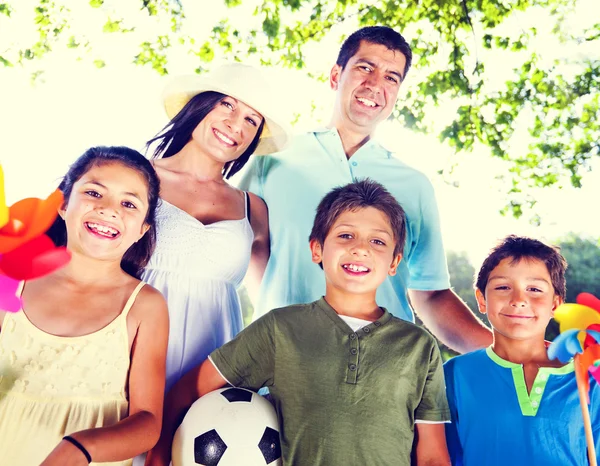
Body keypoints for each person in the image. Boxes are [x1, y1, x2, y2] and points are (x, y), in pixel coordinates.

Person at [146, 179, 451, 466]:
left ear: (395, 262)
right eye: (345, 235)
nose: (361, 248)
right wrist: (157, 460)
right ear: (317, 248)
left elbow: (433, 456)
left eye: (378, 241)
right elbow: (186, 392)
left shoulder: (418, 346)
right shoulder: (280, 329)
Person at [237, 25, 491, 353]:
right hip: (284, 364)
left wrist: (516, 354)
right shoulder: (272, 159)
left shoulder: (414, 185)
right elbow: (249, 246)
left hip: (385, 373)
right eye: (365, 68)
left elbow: (430, 294)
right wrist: (278, 314)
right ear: (335, 76)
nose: (375, 85)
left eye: (391, 77)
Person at [0, 146, 169, 465]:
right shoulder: (12, 279)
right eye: (94, 192)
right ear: (63, 204)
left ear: (143, 229)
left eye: (129, 203)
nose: (109, 209)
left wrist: (79, 447)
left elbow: (147, 422)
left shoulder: (145, 306)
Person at [143, 63, 290, 394]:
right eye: (227, 104)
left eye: (251, 120)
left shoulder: (254, 209)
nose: (236, 125)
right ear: (200, 104)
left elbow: (269, 304)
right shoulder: (137, 177)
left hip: (211, 377)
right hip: (130, 356)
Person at [444, 235, 600, 465]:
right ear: (482, 299)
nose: (519, 300)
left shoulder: (589, 376)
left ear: (556, 304)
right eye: (503, 287)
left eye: (535, 289)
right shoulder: (454, 374)